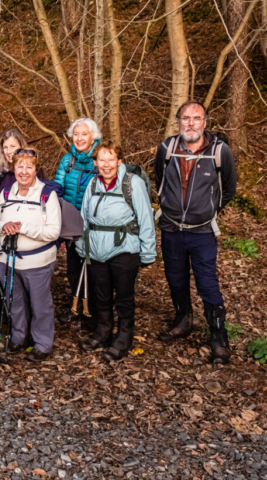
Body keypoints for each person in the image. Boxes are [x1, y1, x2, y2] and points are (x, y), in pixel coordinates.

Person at [154, 101, 237, 364]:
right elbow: (160, 180)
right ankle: (183, 319)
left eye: (196, 118)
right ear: (178, 121)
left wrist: (209, 209)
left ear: (205, 122)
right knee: (175, 278)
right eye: (185, 118)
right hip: (171, 228)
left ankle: (218, 336)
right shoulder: (167, 148)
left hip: (202, 232)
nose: (190, 123)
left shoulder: (220, 151)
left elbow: (228, 188)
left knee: (208, 284)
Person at [76, 142, 156, 362]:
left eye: (111, 159)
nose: (106, 165)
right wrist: (82, 246)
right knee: (100, 295)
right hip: (96, 249)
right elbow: (84, 217)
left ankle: (123, 337)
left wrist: (148, 252)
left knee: (123, 296)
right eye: (102, 160)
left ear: (119, 161)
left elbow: (145, 218)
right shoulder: (93, 184)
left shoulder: (133, 183)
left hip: (124, 248)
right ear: (95, 163)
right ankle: (102, 333)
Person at [0, 149, 61, 362]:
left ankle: (42, 343)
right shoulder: (7, 192)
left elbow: (53, 231)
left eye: (29, 166)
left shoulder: (47, 194)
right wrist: (4, 226)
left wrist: (24, 228)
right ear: (14, 168)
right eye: (20, 166)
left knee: (40, 304)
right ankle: (19, 337)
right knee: (14, 301)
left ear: (36, 169)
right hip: (6, 259)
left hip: (37, 261)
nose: (24, 171)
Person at [54, 118, 102, 328]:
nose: (80, 138)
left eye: (84, 134)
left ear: (93, 136)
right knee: (73, 268)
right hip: (72, 225)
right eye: (76, 134)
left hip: (95, 224)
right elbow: (58, 187)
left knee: (94, 269)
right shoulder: (67, 161)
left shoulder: (100, 159)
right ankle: (75, 307)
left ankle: (93, 310)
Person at [0, 129, 44, 254]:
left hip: (27, 235)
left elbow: (43, 201)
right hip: (0, 235)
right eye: (5, 147)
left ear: (21, 146)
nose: (9, 151)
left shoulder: (34, 171)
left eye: (13, 146)